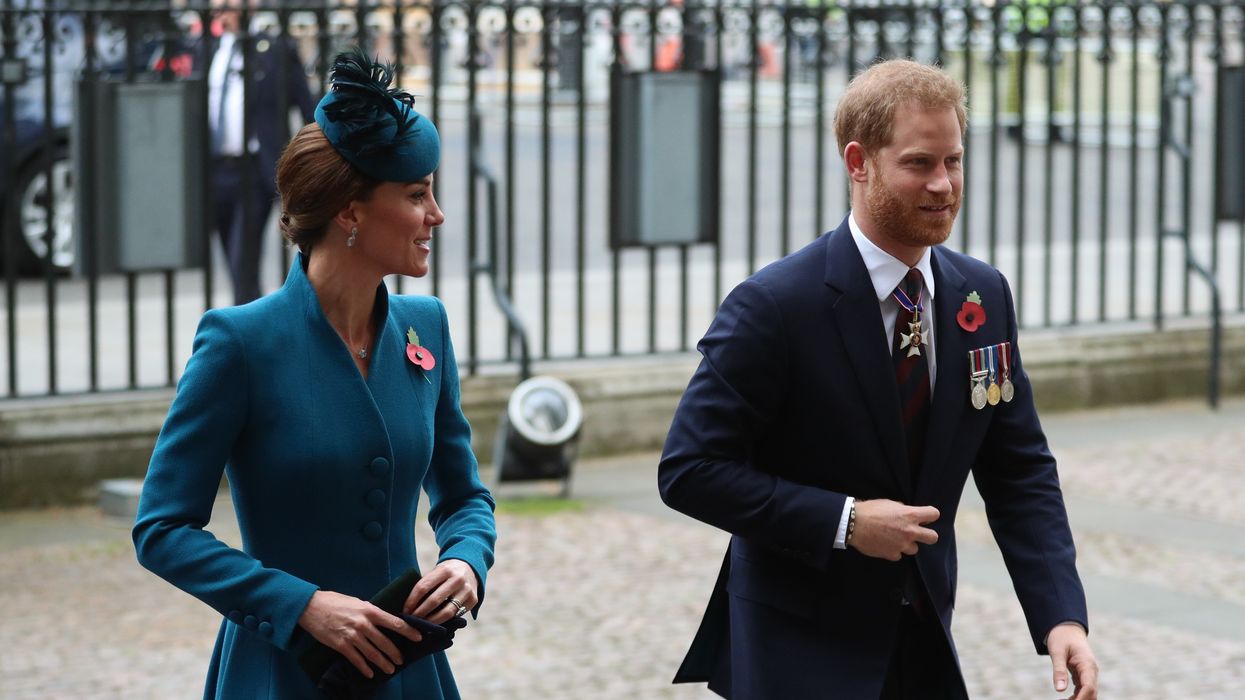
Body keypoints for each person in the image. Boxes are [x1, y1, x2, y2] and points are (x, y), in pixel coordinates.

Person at [658, 59, 1099, 700]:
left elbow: (1019, 469)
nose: (944, 185)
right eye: (920, 163)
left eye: (954, 160)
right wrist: (845, 521)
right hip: (797, 653)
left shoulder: (983, 294)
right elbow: (690, 469)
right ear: (859, 161)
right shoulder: (775, 305)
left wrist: (1061, 615)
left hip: (922, 643)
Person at [133, 48, 497, 699]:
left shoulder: (427, 327)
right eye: (416, 195)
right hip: (280, 670)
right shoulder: (240, 343)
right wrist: (300, 604)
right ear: (349, 213)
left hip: (409, 673)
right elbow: (161, 530)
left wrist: (467, 560)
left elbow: (464, 496)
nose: (435, 215)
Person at [151, 0, 316, 304]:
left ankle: (248, 330)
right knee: (230, 258)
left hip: (253, 171)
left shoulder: (276, 49)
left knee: (244, 259)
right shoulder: (205, 48)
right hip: (213, 170)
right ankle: (253, 318)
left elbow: (308, 109)